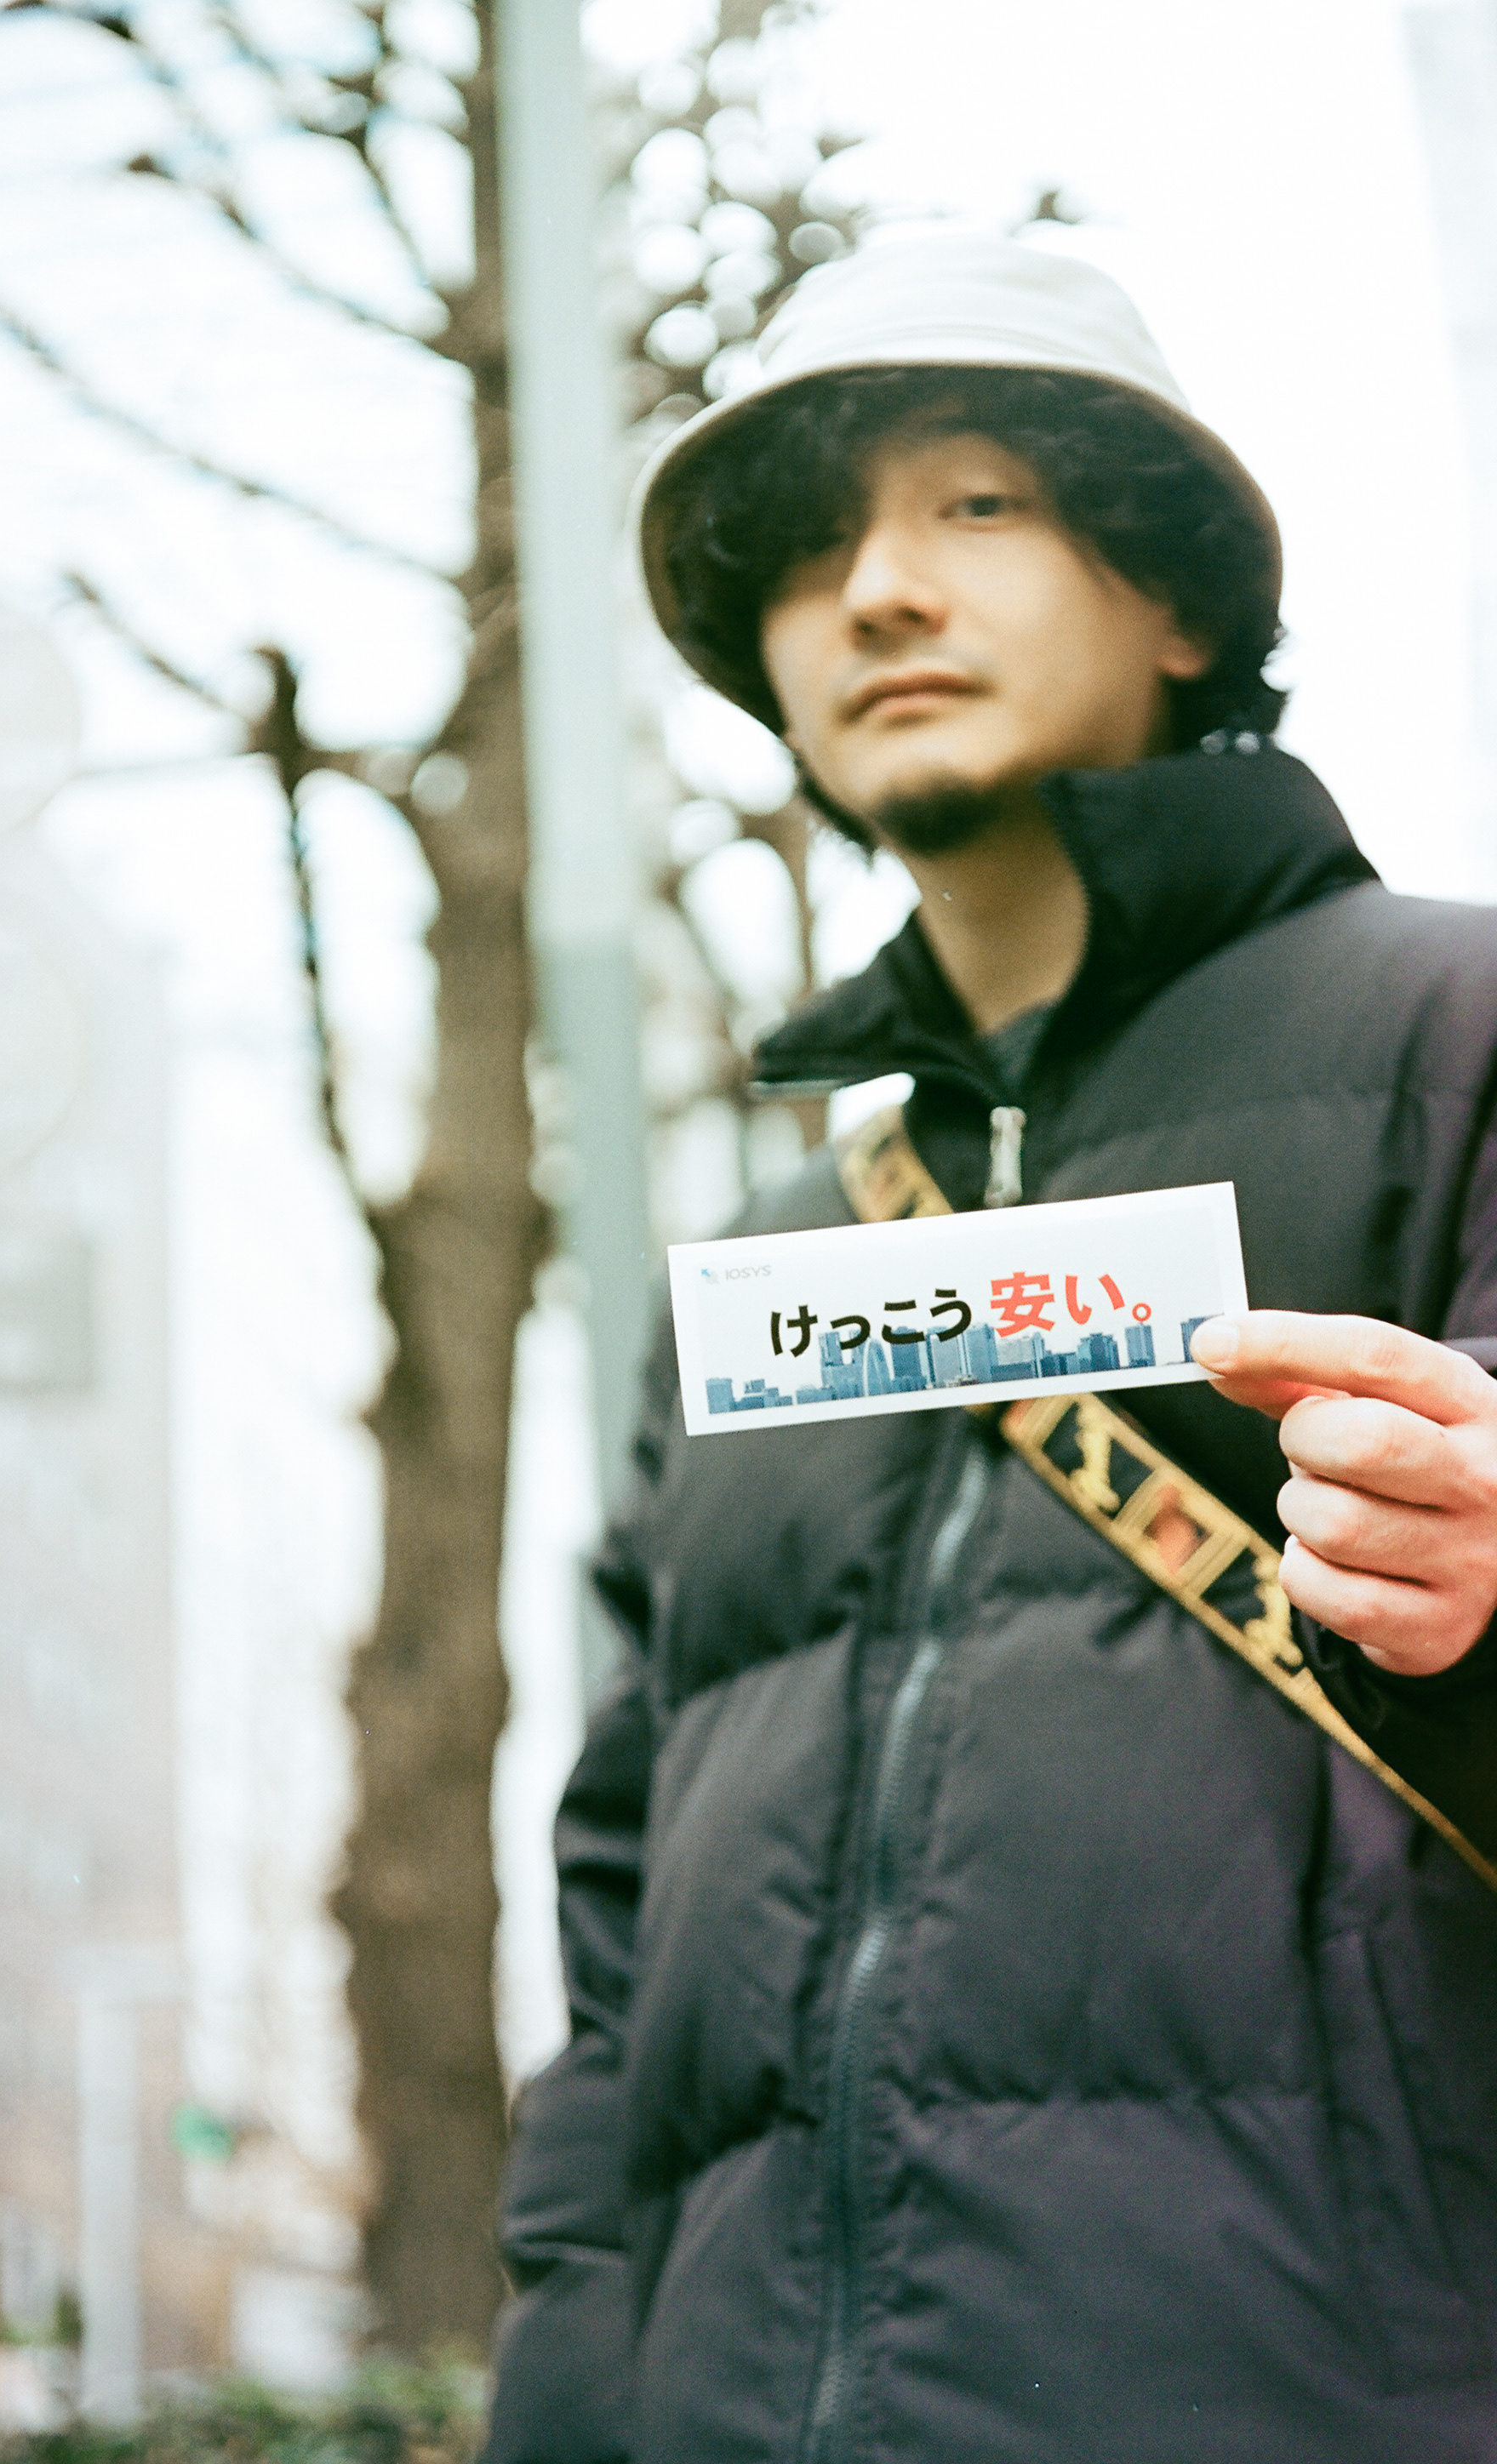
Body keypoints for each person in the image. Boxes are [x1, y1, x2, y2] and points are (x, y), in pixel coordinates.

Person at [482, 233, 1497, 2464]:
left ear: (1181, 601)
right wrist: (577, 2392)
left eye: (978, 504)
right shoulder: (765, 1260)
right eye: (812, 547)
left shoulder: (1462, 1038)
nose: (877, 591)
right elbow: (617, 1936)